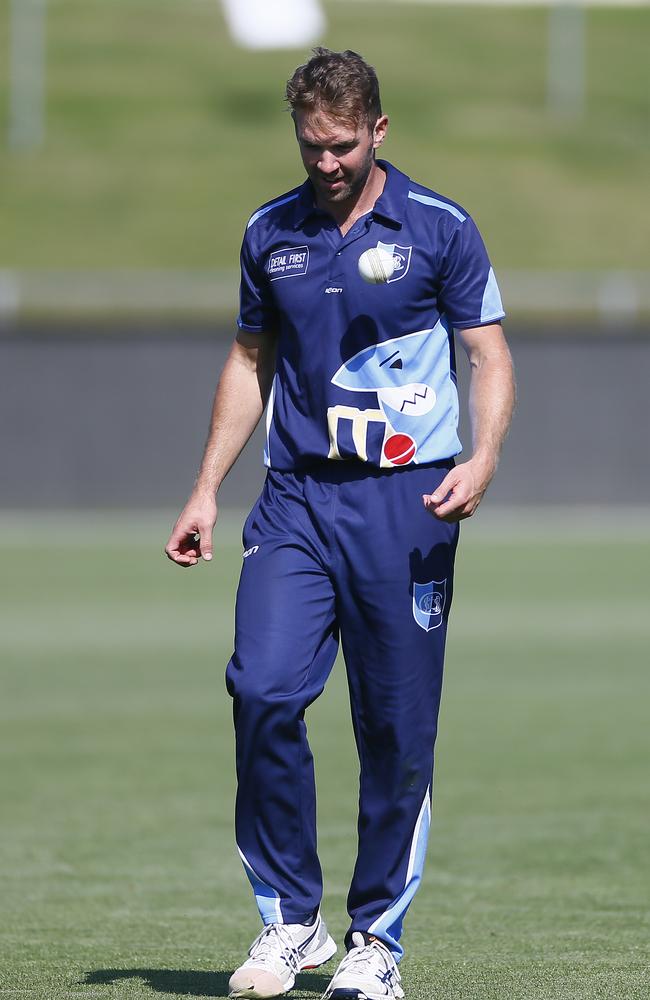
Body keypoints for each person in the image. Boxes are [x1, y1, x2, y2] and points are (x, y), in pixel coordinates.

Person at [165, 48, 515, 1000]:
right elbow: (249, 363)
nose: (327, 162)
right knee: (263, 689)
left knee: (396, 729)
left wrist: (480, 460)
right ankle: (290, 922)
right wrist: (206, 488)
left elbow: (487, 355)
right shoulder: (268, 232)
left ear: (378, 131)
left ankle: (377, 946)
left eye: (344, 144)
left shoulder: (440, 227)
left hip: (407, 505)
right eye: (312, 145)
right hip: (296, 502)